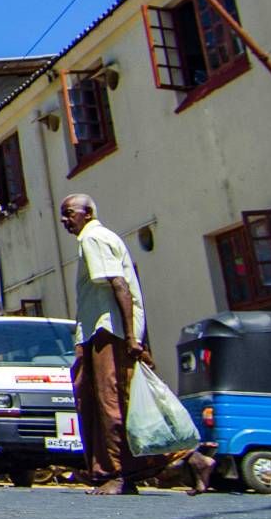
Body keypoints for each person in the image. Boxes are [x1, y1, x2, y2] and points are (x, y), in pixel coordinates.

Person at [58, 194, 214, 495]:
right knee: (121, 403)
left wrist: (132, 338)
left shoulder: (94, 239)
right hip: (99, 332)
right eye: (63, 216)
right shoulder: (94, 239)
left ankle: (116, 473)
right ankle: (188, 460)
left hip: (107, 332)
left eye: (69, 214)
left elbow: (120, 286)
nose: (65, 221)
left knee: (109, 404)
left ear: (87, 213)